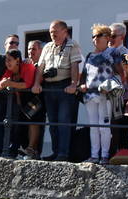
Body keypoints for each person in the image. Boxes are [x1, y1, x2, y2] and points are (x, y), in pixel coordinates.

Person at [32, 20, 83, 161]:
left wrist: (73, 85)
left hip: (64, 87)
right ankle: (55, 152)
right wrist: (36, 84)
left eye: (55, 32)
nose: (52, 34)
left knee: (63, 121)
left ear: (65, 32)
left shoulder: (72, 45)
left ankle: (63, 153)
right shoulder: (47, 47)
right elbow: (40, 67)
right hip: (48, 88)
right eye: (50, 32)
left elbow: (74, 66)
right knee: (53, 122)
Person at [78, 24, 124, 164]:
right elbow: (84, 76)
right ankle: (94, 155)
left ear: (107, 37)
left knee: (104, 127)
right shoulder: (89, 55)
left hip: (106, 95)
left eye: (99, 36)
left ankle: (104, 156)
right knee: (93, 127)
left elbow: (120, 74)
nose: (95, 39)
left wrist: (109, 86)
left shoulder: (113, 52)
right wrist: (82, 85)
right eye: (93, 36)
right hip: (90, 95)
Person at [0, 49, 37, 157]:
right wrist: (3, 83)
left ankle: (32, 150)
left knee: (33, 122)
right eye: (6, 60)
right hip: (20, 101)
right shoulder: (10, 71)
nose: (7, 63)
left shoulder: (28, 66)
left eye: (9, 60)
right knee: (17, 125)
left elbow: (27, 84)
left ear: (17, 60)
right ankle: (15, 150)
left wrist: (9, 83)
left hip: (34, 99)